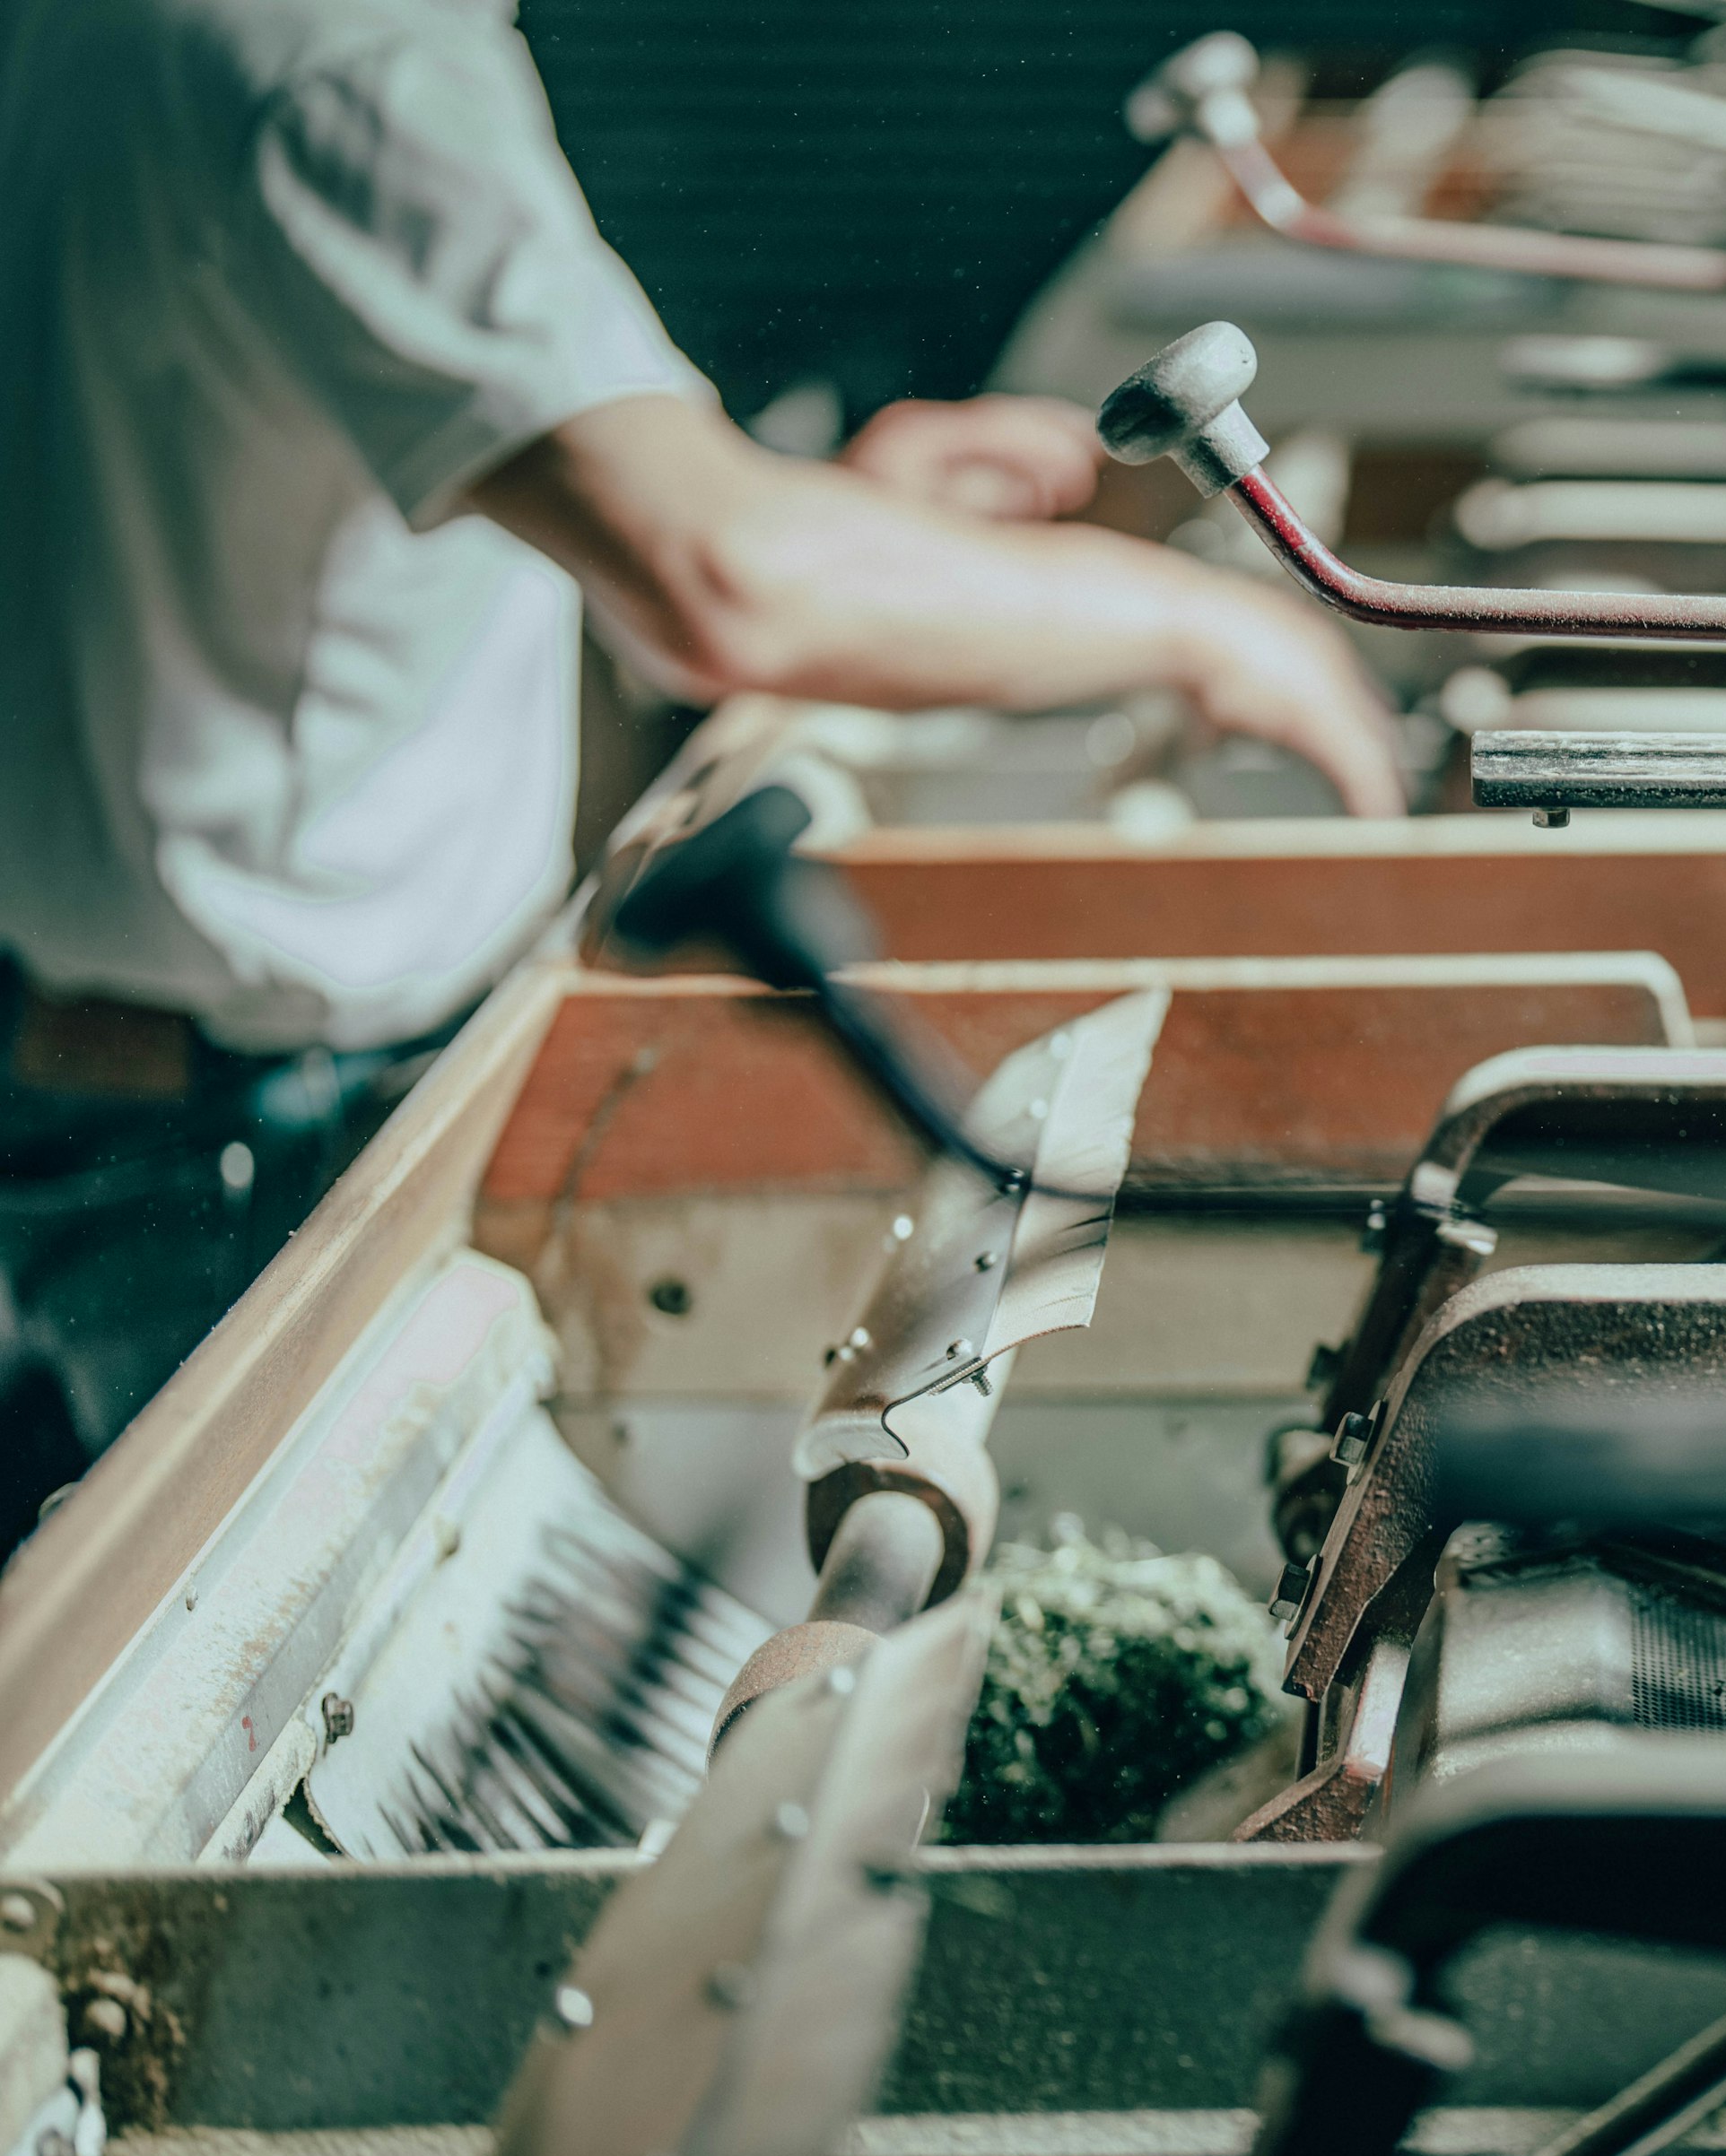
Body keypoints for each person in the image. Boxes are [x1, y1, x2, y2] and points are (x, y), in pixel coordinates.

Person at [0, 0, 1406, 1552]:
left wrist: (825, 513)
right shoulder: (340, 52)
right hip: (252, 1150)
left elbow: (439, 490)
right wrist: (1206, 628)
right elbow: (716, 584)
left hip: (175, 1086)